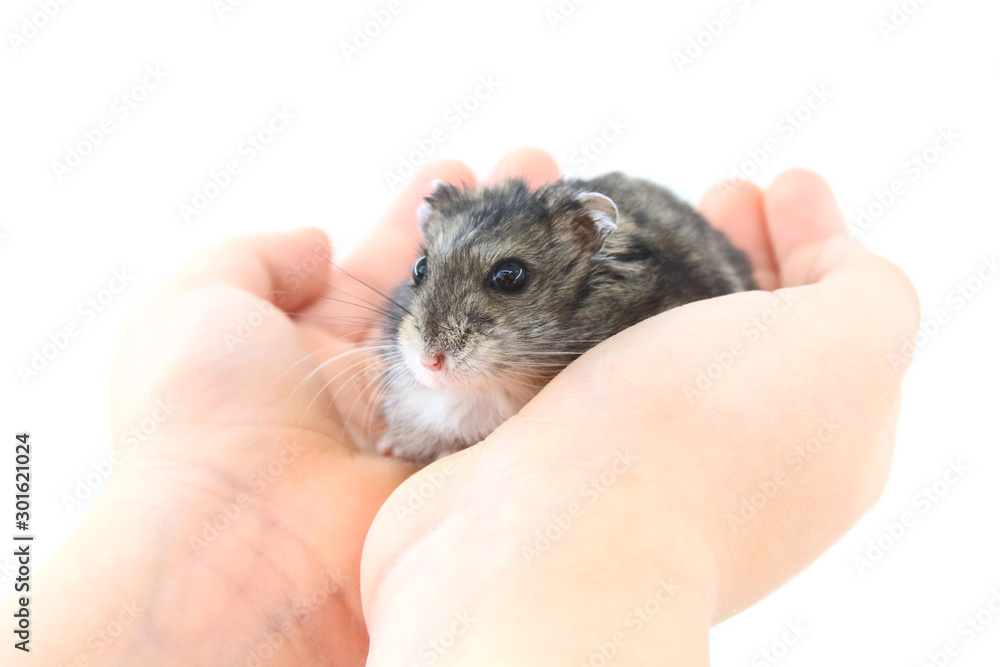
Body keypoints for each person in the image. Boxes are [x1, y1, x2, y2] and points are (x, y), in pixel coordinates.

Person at [4, 148, 919, 665]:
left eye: (508, 280)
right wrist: (199, 492)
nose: (432, 341)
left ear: (583, 247)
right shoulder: (404, 348)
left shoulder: (643, 305)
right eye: (424, 275)